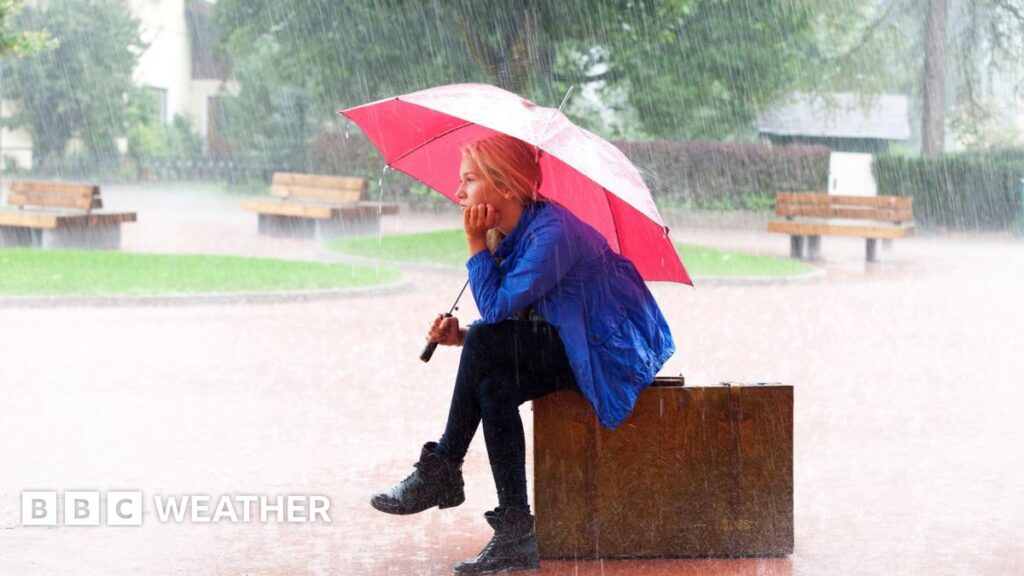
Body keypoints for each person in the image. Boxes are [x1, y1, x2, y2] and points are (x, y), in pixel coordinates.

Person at [370, 134, 675, 574]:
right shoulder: (519, 233)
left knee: (486, 346)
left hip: (604, 353)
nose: (459, 193)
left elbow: (497, 311)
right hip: (569, 341)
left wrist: (476, 244)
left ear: (507, 186)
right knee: (494, 385)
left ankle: (443, 469)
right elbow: (514, 321)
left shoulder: (554, 234)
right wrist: (463, 336)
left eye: (470, 180)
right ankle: (515, 531)